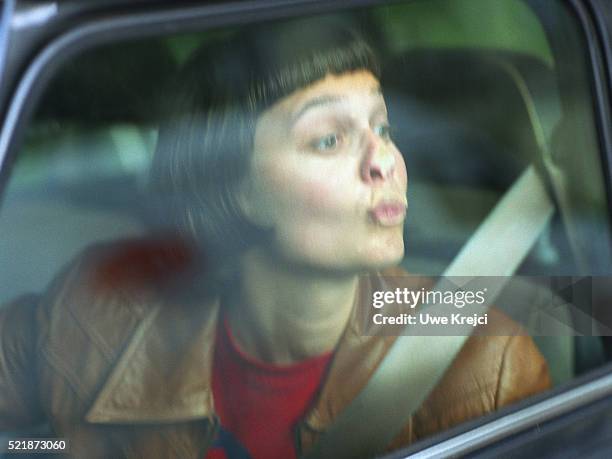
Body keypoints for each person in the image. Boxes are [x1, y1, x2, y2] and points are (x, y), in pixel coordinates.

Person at [0, 17, 550, 459]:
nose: (384, 160)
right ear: (237, 190)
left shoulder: (483, 368)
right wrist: (44, 447)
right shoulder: (98, 309)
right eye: (330, 139)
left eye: (383, 128)